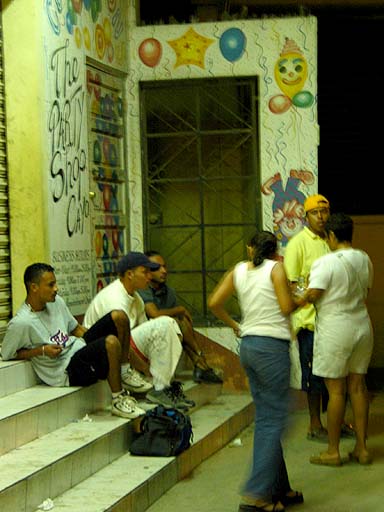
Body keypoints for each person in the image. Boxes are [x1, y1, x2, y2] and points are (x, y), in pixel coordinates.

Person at [208, 231, 303, 512]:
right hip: (271, 349)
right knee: (274, 421)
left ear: (250, 249)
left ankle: (279, 489)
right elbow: (286, 307)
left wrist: (235, 324)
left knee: (268, 417)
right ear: (276, 251)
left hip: (249, 346)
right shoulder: (276, 269)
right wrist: (305, 298)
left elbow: (214, 303)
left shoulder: (238, 270)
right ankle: (257, 496)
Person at [1, 263, 145, 419]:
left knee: (119, 317)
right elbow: (7, 354)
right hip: (66, 370)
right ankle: (118, 399)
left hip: (77, 348)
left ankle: (124, 372)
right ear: (34, 287)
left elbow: (77, 329)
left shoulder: (56, 302)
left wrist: (95, 341)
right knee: (110, 342)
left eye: (55, 283)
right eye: (51, 285)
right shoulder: (21, 322)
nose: (56, 288)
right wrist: (41, 351)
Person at [295, 213, 374, 467]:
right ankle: (362, 449)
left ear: (330, 235)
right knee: (358, 388)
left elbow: (313, 294)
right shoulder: (364, 258)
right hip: (362, 325)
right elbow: (366, 291)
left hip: (335, 327)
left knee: (336, 390)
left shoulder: (325, 262)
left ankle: (332, 451)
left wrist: (299, 295)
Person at [83, 251, 194, 410]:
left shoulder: (136, 297)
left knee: (172, 326)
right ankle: (159, 388)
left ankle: (163, 387)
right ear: (130, 274)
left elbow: (143, 334)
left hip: (126, 350)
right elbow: (119, 341)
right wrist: (144, 368)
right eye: (145, 272)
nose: (149, 276)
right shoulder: (114, 298)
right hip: (102, 353)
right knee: (165, 324)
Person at [284, 194, 354, 441]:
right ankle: (314, 424)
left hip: (334, 320)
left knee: (338, 375)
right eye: (315, 213)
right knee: (313, 375)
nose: (321, 217)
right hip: (310, 321)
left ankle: (338, 422)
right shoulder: (298, 244)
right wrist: (312, 295)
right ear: (306, 216)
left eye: (324, 212)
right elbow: (292, 284)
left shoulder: (332, 241)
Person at [138, 250, 223, 384]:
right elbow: (154, 314)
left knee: (181, 322)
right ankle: (201, 362)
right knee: (179, 320)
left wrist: (179, 313)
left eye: (165, 266)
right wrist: (180, 309)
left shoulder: (168, 291)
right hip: (141, 339)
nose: (164, 271)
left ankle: (200, 364)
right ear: (147, 271)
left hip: (166, 335)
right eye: (157, 268)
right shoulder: (142, 288)